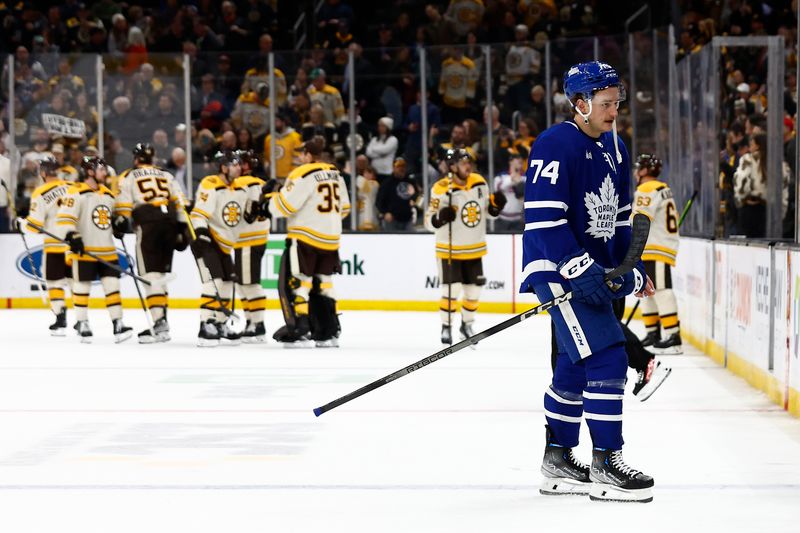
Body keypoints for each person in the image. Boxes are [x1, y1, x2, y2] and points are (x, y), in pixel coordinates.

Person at [520, 61, 656, 502]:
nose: (614, 111)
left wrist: (627, 267)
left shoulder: (616, 148)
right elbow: (543, 222)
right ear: (579, 103)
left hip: (593, 272)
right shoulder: (555, 144)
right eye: (605, 103)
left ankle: (556, 459)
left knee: (575, 364)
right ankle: (605, 464)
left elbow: (617, 223)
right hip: (557, 270)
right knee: (608, 356)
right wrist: (578, 267)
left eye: (617, 102)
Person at [259, 136, 350, 347]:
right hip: (331, 239)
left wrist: (266, 204)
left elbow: (285, 206)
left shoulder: (303, 173)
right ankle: (329, 331)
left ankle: (299, 328)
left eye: (301, 153)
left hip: (305, 237)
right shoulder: (336, 173)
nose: (299, 156)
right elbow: (344, 209)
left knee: (297, 281)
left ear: (309, 155)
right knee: (324, 283)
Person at [424, 148, 505, 345]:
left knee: (474, 291)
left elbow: (485, 212)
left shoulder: (479, 182)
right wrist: (439, 218)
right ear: (452, 166)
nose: (468, 166)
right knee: (451, 291)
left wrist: (495, 208)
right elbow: (428, 221)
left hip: (474, 247)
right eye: (463, 163)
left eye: (469, 162)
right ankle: (446, 326)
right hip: (449, 249)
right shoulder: (441, 189)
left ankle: (466, 325)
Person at [113, 143, 190, 343]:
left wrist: (119, 222)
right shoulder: (166, 174)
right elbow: (181, 201)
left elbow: (123, 207)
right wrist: (183, 228)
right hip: (171, 222)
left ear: (136, 159)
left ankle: (159, 322)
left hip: (148, 223)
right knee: (162, 276)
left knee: (150, 275)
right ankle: (162, 320)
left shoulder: (129, 176)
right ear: (153, 158)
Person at [56, 157, 133, 343]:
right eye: (101, 169)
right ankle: (82, 322)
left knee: (113, 287)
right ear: (90, 171)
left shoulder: (108, 194)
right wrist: (72, 235)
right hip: (85, 250)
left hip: (107, 249)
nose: (105, 172)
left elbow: (111, 219)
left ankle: (118, 323)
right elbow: (65, 219)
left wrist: (119, 225)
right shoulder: (75, 192)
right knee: (82, 287)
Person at [189, 150, 249, 347]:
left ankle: (221, 323)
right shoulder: (210, 184)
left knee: (228, 282)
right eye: (234, 164)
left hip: (224, 243)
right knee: (212, 281)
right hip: (208, 239)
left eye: (239, 164)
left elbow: (244, 215)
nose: (238, 167)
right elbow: (199, 214)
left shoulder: (240, 187)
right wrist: (201, 231)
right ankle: (206, 323)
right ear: (223, 168)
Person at [633, 154, 683, 355]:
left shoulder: (647, 189)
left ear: (644, 170)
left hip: (656, 246)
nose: (636, 172)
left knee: (661, 289)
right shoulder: (663, 188)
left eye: (638, 168)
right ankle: (653, 332)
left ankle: (673, 336)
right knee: (647, 289)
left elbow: (641, 219)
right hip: (654, 245)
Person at [20, 158, 71, 334]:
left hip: (55, 244)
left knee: (54, 282)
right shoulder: (74, 187)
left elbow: (35, 224)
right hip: (75, 243)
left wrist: (22, 225)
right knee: (77, 282)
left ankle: (60, 316)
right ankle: (83, 320)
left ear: (43, 173)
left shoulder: (40, 192)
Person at [234, 149, 271, 343]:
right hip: (250, 239)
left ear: (246, 165)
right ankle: (251, 322)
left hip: (249, 239)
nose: (233, 166)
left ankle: (258, 325)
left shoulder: (243, 183)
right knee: (242, 283)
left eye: (237, 162)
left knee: (249, 284)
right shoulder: (261, 183)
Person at [492, 152, 525, 232]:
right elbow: (497, 188)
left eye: (521, 159)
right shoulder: (501, 176)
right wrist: (512, 180)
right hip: (502, 219)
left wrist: (519, 182)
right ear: (510, 161)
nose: (520, 160)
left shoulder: (525, 177)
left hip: (519, 220)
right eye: (516, 158)